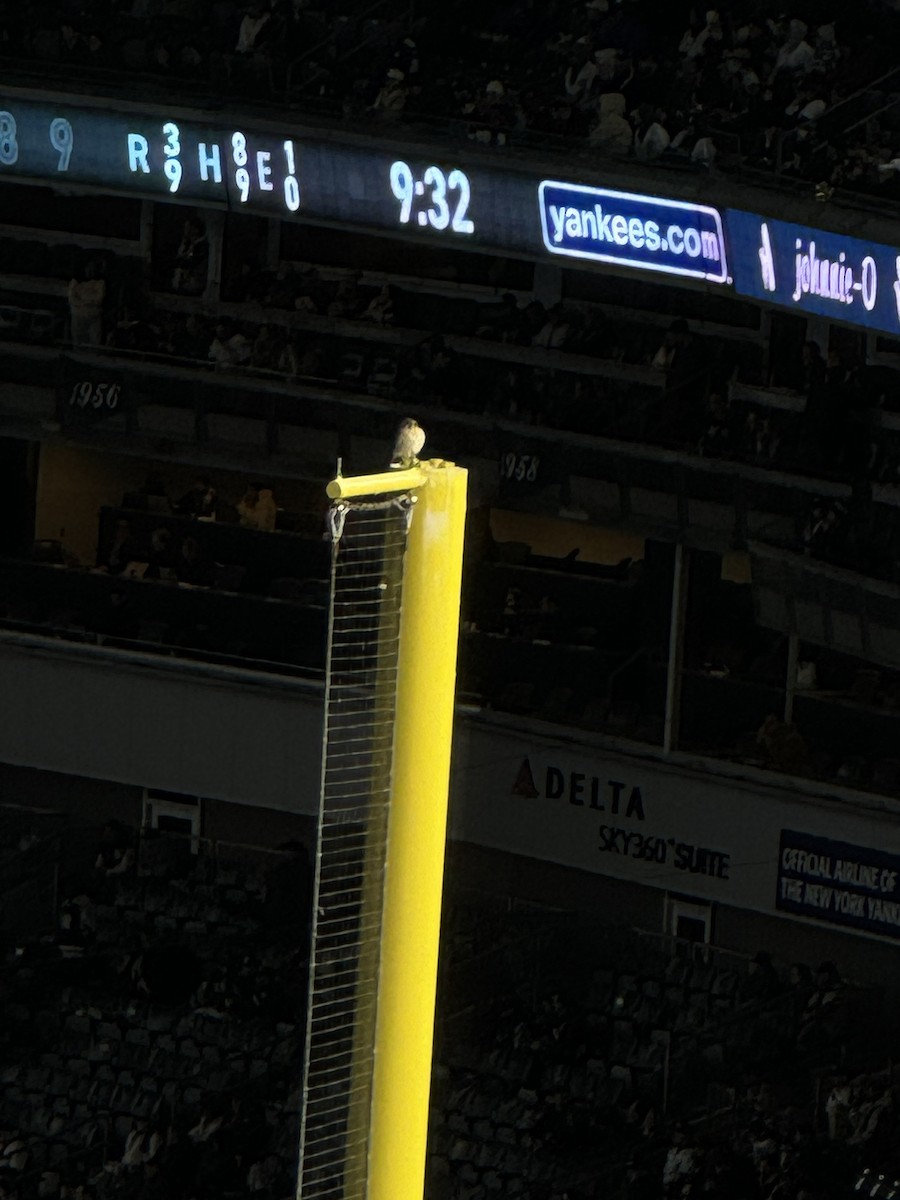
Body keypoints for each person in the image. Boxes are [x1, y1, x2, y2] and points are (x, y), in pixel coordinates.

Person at [68, 260, 106, 346]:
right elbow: (72, 299)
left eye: (92, 269)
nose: (90, 271)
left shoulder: (100, 283)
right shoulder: (75, 282)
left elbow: (98, 299)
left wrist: (83, 300)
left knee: (94, 340)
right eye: (88, 268)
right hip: (78, 314)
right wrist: (86, 301)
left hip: (94, 314)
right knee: (78, 339)